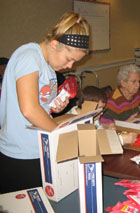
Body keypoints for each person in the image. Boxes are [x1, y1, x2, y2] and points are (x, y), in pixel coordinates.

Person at [0, 12, 90, 193]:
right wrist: (61, 134)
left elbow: (38, 105)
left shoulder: (48, 67)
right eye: (69, 59)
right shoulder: (29, 57)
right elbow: (29, 110)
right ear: (55, 44)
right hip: (20, 154)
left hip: (39, 148)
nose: (70, 66)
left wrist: (52, 107)